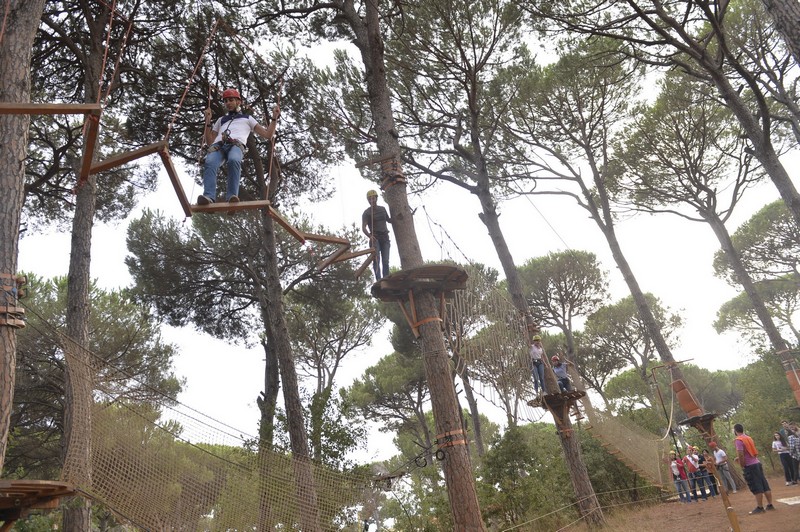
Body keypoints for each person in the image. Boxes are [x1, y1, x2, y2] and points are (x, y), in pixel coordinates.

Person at [198, 88, 280, 205]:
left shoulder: (247, 119)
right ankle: (208, 197)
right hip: (219, 145)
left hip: (236, 144)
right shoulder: (221, 120)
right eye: (225, 101)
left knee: (234, 160)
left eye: (231, 100)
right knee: (210, 162)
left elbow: (267, 135)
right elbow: (210, 141)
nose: (228, 103)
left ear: (238, 102)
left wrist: (274, 118)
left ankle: (232, 196)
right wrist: (207, 122)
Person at [734, 422, 775, 514]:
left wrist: (741, 464)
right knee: (764, 484)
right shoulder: (748, 438)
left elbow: (740, 453)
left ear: (735, 430)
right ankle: (770, 504)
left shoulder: (738, 440)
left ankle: (760, 507)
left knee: (756, 486)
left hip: (749, 466)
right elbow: (748, 451)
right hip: (756, 463)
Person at [361, 190, 393, 280]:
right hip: (375, 238)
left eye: (373, 198)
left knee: (386, 261)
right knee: (376, 260)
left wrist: (398, 217)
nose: (371, 200)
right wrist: (370, 236)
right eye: (369, 199)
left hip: (385, 237)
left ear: (376, 198)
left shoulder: (382, 209)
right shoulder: (367, 213)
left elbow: (388, 220)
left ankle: (386, 279)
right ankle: (379, 280)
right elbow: (363, 228)